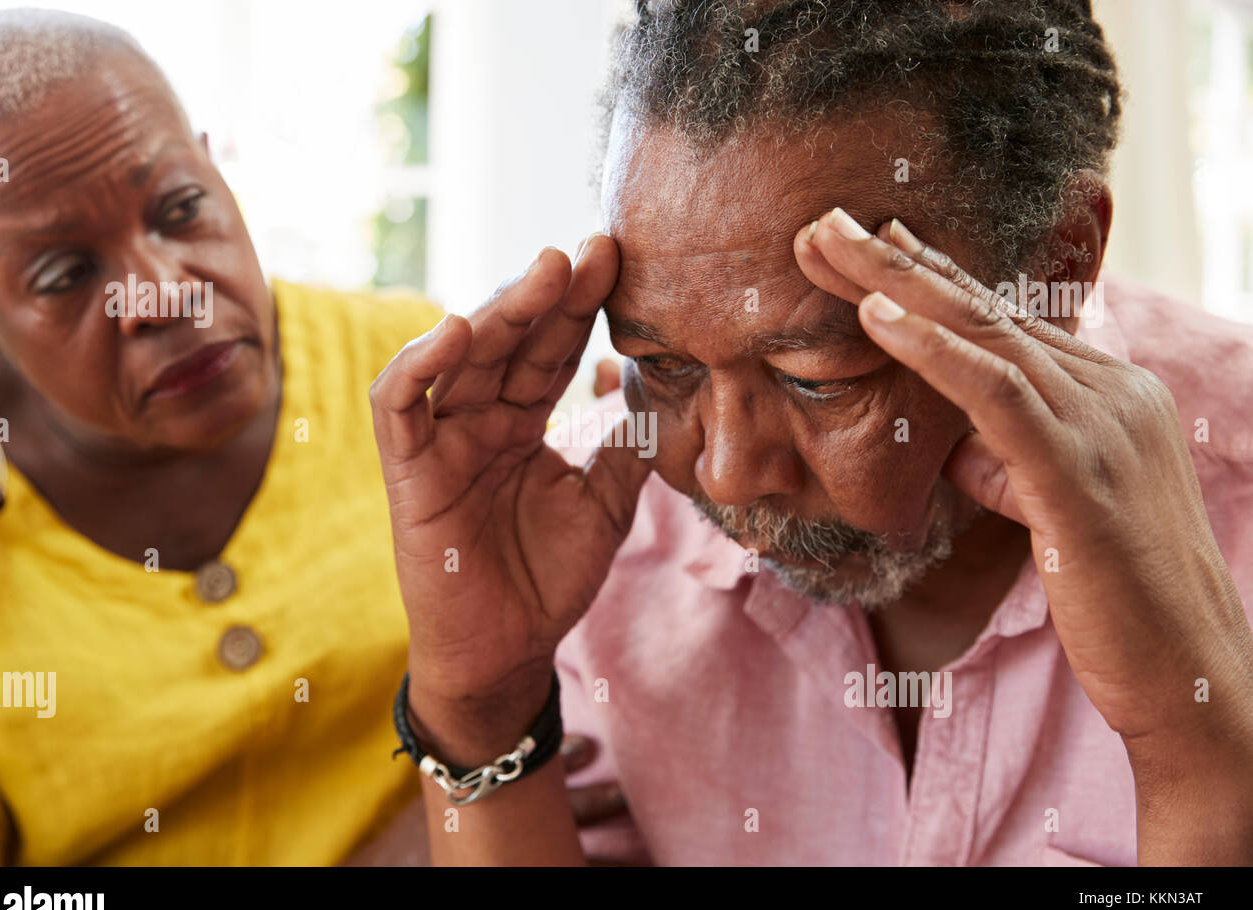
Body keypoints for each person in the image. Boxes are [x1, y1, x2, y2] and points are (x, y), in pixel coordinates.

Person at [371, 0, 1253, 865]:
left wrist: (1196, 741)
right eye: (664, 364)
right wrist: (484, 707)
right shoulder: (584, 527)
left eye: (816, 380)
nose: (725, 474)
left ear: (1056, 268)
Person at [0, 8, 438, 866]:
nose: (162, 293)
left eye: (180, 209)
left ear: (217, 171)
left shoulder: (420, 372)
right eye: (66, 274)